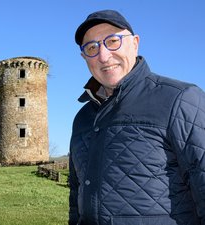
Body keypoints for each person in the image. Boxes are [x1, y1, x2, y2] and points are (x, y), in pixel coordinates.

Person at [69, 9, 205, 225]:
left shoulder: (180, 99)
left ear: (134, 43)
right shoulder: (83, 118)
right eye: (92, 48)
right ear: (84, 57)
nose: (104, 56)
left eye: (112, 41)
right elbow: (76, 198)